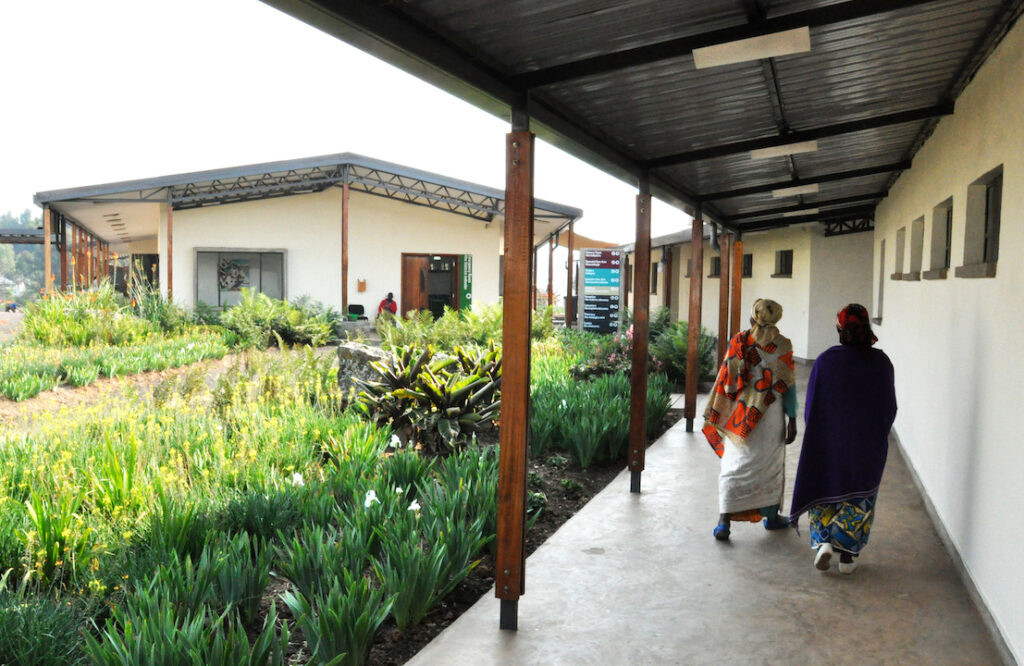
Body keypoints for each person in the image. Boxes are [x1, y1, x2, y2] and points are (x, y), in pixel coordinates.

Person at [789, 304, 897, 574]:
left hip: (829, 442)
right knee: (859, 499)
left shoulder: (826, 361)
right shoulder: (882, 364)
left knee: (825, 489)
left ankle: (824, 541)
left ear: (839, 330)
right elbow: (889, 407)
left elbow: (812, 406)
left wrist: (819, 435)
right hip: (865, 446)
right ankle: (848, 555)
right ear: (867, 330)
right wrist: (875, 436)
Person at [702, 298, 798, 541]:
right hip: (770, 415)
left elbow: (727, 379)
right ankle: (772, 517)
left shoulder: (739, 341)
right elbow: (788, 387)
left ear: (753, 316)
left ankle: (723, 521)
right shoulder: (783, 345)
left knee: (734, 465)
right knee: (770, 466)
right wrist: (793, 419)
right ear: (777, 317)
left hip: (740, 416)